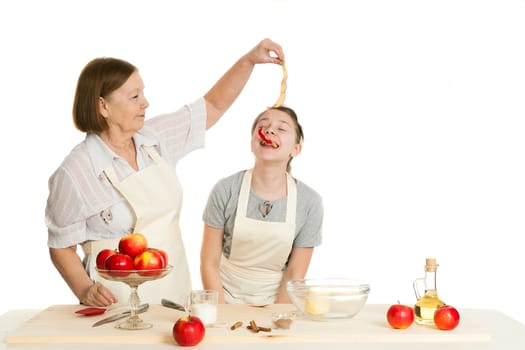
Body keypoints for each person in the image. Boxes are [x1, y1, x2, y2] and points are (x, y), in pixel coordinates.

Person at [45, 38, 285, 307]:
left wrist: (248, 61)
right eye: (134, 96)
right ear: (103, 106)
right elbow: (61, 245)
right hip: (116, 303)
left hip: (173, 294)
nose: (145, 103)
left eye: (143, 93)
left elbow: (213, 106)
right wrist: (85, 290)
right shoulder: (74, 172)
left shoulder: (155, 139)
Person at [200, 105, 323, 305]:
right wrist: (222, 314)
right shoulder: (226, 189)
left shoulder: (310, 202)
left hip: (280, 301)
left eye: (281, 129)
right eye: (263, 125)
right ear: (252, 143)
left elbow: (294, 273)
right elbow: (209, 263)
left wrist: (278, 319)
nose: (269, 130)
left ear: (296, 149)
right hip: (224, 297)